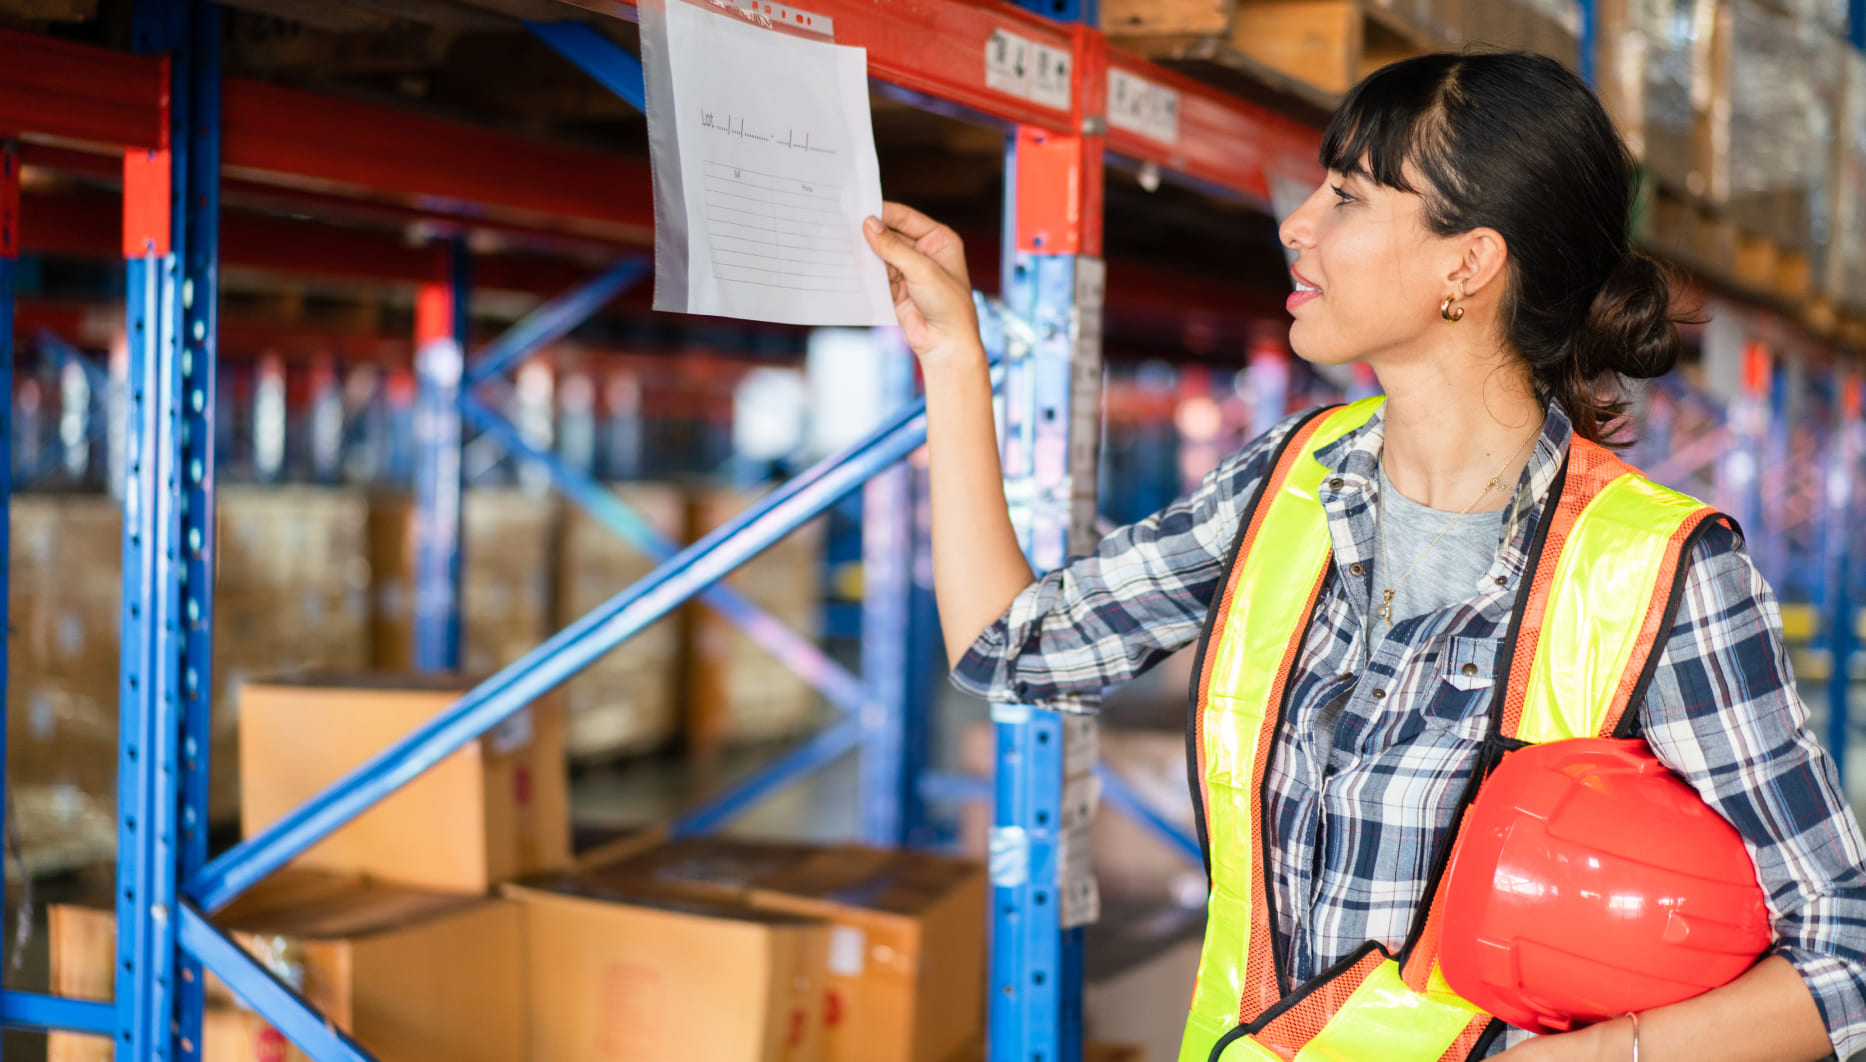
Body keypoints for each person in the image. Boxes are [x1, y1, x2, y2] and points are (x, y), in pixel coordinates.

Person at [860, 50, 1866, 1062]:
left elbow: (1846, 948)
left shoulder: (1662, 572)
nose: (1298, 223)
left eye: (1345, 196)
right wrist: (953, 359)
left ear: (1467, 263)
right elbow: (1015, 648)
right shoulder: (1286, 483)